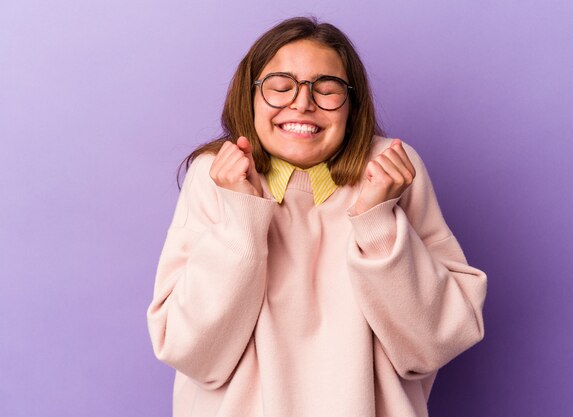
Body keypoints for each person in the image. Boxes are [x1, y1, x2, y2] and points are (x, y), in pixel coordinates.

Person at [147, 15, 487, 417]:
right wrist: (241, 218)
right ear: (250, 95)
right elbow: (192, 350)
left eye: (327, 89)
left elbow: (434, 341)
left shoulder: (393, 169)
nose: (303, 103)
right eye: (280, 86)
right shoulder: (216, 174)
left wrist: (376, 221)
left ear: (351, 104)